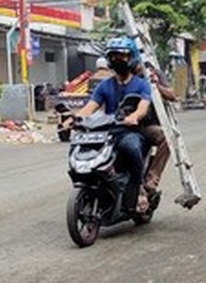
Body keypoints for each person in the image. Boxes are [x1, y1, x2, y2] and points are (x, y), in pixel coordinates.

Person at [73, 37, 154, 213]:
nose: (117, 59)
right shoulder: (104, 86)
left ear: (131, 58)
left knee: (132, 147)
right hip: (106, 132)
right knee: (79, 147)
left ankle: (140, 189)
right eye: (113, 56)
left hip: (129, 131)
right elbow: (89, 107)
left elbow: (143, 107)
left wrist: (134, 116)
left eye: (122, 56)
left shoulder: (142, 85)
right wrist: (74, 118)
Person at [136, 61, 179, 194]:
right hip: (123, 126)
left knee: (167, 136)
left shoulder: (154, 74)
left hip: (146, 126)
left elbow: (172, 95)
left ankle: (152, 178)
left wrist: (156, 85)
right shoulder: (120, 75)